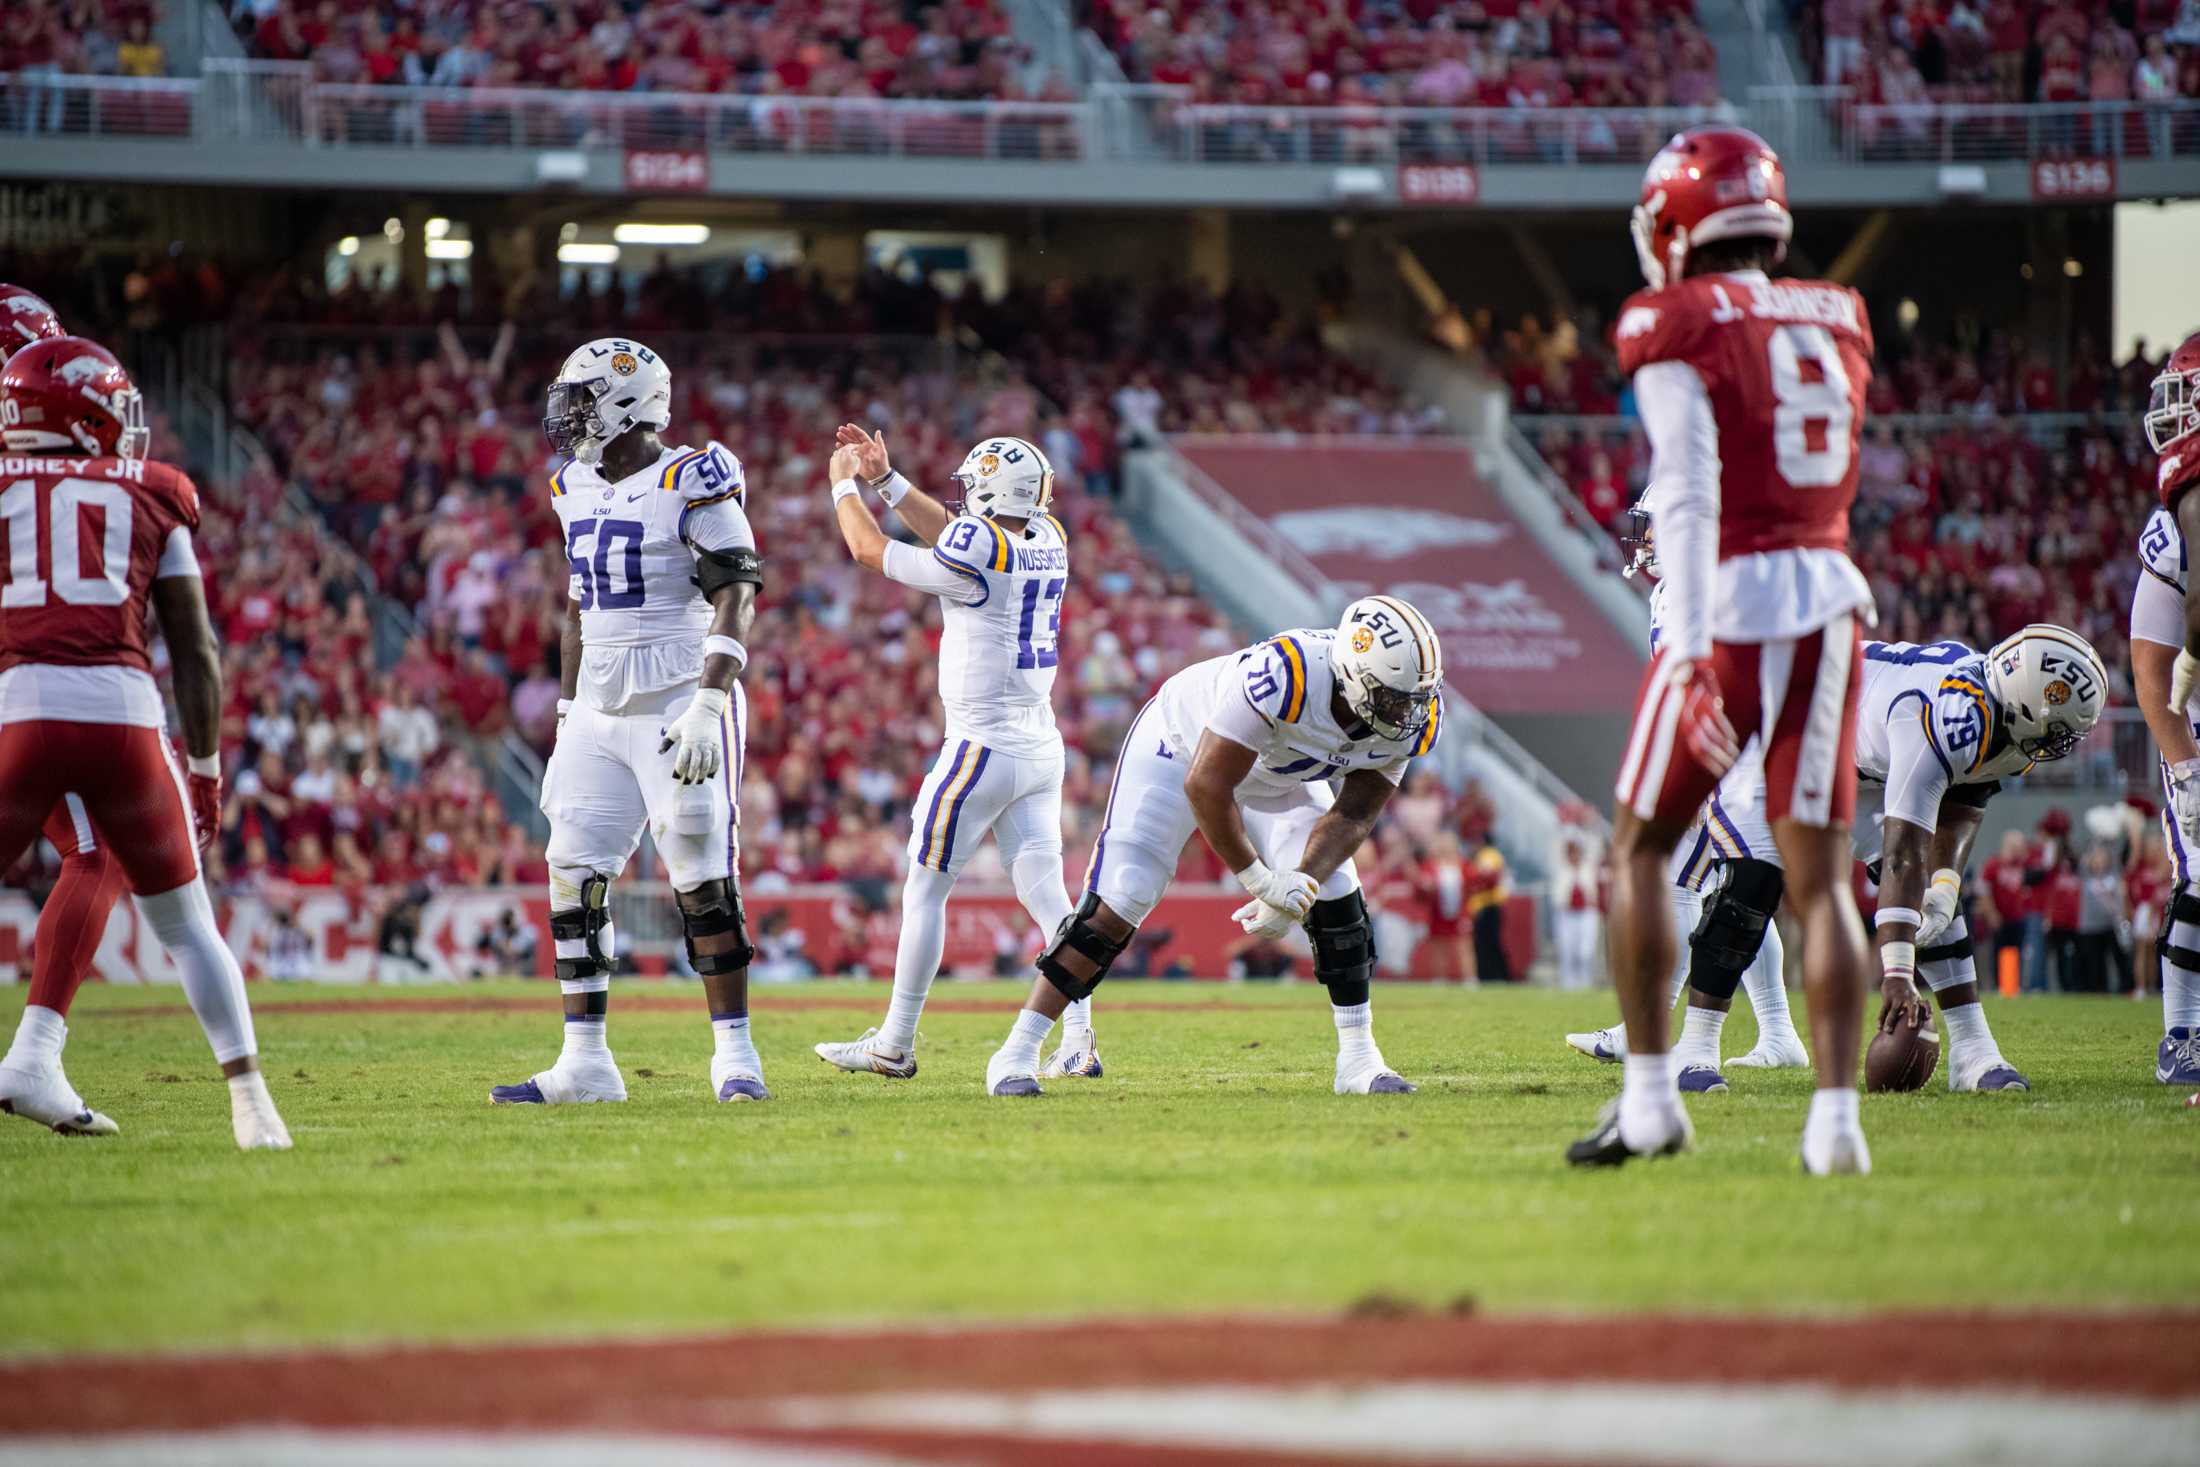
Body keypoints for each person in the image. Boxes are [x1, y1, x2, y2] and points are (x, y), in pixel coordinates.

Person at [1571, 126, 1880, 1175]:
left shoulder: (1672, 318)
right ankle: (1835, 1128)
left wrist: (1692, 648)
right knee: (1822, 877)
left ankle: (1653, 1100)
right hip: (1831, 595)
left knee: (1639, 847)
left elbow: (1691, 491)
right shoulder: (1838, 313)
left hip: (1735, 606)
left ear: (1676, 223)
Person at [0, 337, 290, 1149]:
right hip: (121, 715)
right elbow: (194, 650)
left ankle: (37, 1057)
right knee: (188, 923)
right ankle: (253, 1105)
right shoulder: (152, 492)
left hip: (18, 708)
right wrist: (204, 770)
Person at [979, 596, 1445, 1097]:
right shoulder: (1286, 677)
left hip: (1282, 774)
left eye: (1414, 698)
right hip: (1179, 749)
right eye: (1394, 697)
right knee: (1124, 893)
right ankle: (1017, 1052)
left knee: (1334, 887)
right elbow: (1207, 785)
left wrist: (1300, 883)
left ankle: (1358, 1058)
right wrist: (1261, 882)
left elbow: (1354, 812)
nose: (1408, 711)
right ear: (1354, 676)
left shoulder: (1413, 718)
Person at [490, 336, 767, 1106]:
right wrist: (569, 709)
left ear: (623, 402)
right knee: (572, 874)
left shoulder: (690, 477)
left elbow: (737, 591)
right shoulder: (572, 483)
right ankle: (586, 1062)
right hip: (599, 709)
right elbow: (577, 604)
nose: (567, 415)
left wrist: (712, 702)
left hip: (681, 695)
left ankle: (735, 1056)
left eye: (580, 399)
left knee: (701, 874)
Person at [811, 427, 1091, 1081]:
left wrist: (843, 483)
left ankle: (894, 1041)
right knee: (1049, 897)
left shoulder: (979, 547)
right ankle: (1078, 1036)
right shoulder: (1050, 539)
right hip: (1039, 744)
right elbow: (954, 531)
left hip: (980, 747)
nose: (963, 500)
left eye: (973, 489)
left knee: (925, 891)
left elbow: (867, 546)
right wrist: (889, 481)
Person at [1564, 511, 1810, 1085]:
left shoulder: (1692, 592)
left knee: (1692, 884)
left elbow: (1705, 680)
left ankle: (1658, 1030)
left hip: (1732, 753)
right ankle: (1776, 1032)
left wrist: (1694, 768)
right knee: (1733, 887)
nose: (1644, 538)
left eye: (1654, 527)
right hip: (1740, 749)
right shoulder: (1692, 587)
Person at [2126, 327, 2200, 1085]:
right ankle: (2182, 1031)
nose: (2174, 413)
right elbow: (2150, 670)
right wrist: (2186, 770)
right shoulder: (2173, 530)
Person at [1551, 826, 1603, 990]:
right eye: (1571, 851)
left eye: (1577, 851)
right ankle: (1568, 984)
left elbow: (1595, 845)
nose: (1574, 855)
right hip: (1566, 913)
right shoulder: (1561, 868)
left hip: (1586, 912)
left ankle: (1585, 982)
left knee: (1585, 950)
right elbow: (1555, 846)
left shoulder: (1588, 867)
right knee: (1567, 949)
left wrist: (1589, 823)